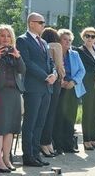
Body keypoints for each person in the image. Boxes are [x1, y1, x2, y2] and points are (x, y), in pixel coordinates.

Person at [18, 13, 57, 167]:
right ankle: (28, 155)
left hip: (47, 88)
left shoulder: (43, 41)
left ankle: (36, 153)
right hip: (33, 87)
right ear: (31, 23)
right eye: (40, 22)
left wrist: (53, 73)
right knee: (30, 122)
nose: (43, 25)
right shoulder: (23, 40)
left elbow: (50, 61)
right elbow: (27, 62)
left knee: (40, 122)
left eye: (44, 22)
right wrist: (45, 76)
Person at [0, 25, 26, 173]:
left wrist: (18, 57)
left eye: (8, 36)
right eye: (2, 35)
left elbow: (22, 70)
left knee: (11, 127)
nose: (5, 38)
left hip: (15, 92)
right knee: (0, 127)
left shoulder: (13, 52)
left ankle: (6, 158)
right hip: (0, 92)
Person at [53, 29, 85, 154]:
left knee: (70, 117)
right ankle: (58, 145)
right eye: (65, 39)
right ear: (59, 40)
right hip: (59, 88)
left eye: (69, 40)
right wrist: (60, 80)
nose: (67, 42)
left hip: (72, 88)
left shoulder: (75, 54)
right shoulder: (55, 52)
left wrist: (73, 82)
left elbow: (82, 70)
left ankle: (68, 144)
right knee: (59, 116)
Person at [39, 26, 65, 158]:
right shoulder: (57, 46)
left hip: (43, 80)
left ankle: (43, 142)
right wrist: (62, 76)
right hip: (55, 81)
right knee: (51, 114)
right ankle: (46, 142)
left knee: (43, 113)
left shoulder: (42, 45)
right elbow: (60, 66)